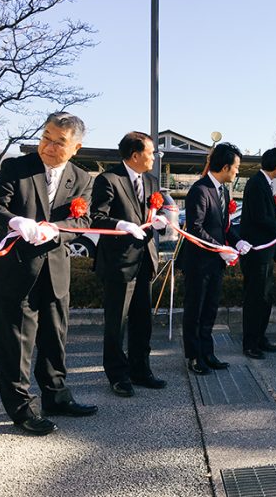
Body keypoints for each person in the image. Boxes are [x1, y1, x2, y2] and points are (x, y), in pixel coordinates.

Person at [0, 112, 97, 436]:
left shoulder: (82, 178)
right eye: (45, 136)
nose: (47, 146)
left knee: (55, 338)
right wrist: (15, 221)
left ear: (75, 147)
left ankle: (57, 395)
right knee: (17, 343)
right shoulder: (16, 168)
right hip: (16, 268)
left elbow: (83, 222)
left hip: (56, 270)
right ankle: (22, 409)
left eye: (59, 142)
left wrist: (57, 231)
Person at [90, 132, 168, 397]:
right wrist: (120, 225)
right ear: (135, 155)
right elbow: (96, 217)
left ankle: (140, 369)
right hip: (118, 264)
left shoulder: (151, 180)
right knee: (117, 323)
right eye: (152, 152)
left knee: (142, 321)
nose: (155, 156)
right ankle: (117, 374)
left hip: (144, 260)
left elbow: (153, 212)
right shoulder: (109, 180)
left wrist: (159, 220)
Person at [182, 142, 251, 374]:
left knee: (210, 309)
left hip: (215, 262)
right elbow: (195, 228)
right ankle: (193, 356)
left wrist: (237, 240)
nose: (237, 171)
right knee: (195, 309)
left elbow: (224, 225)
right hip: (198, 262)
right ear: (224, 166)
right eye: (236, 167)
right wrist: (219, 246)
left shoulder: (223, 190)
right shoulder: (200, 190)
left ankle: (207, 352)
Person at [239, 148, 276, 359]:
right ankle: (250, 343)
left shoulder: (264, 183)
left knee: (265, 296)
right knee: (255, 297)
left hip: (265, 250)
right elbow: (259, 217)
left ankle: (260, 337)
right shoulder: (256, 184)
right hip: (256, 251)